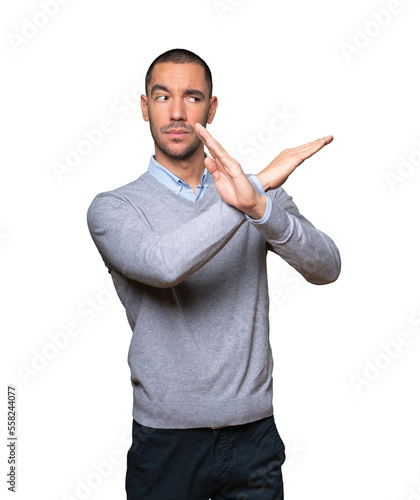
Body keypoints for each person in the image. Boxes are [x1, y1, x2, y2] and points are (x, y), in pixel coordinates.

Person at [86, 48, 341, 500]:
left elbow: (327, 268)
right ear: (144, 107)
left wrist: (261, 207)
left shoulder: (259, 199)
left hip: (254, 436)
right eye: (163, 97)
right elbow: (163, 265)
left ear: (212, 108)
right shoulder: (114, 208)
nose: (178, 112)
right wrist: (250, 192)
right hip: (165, 439)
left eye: (193, 97)